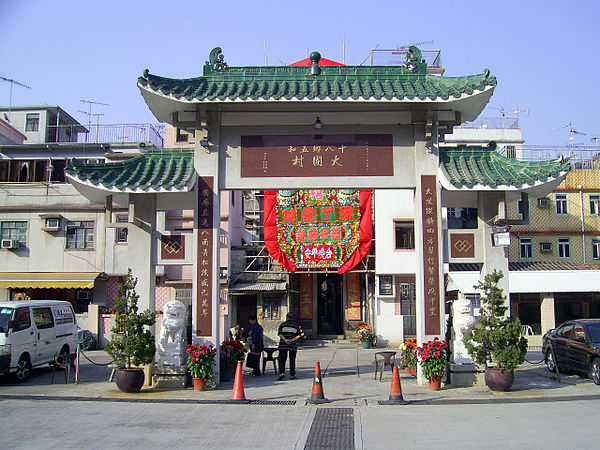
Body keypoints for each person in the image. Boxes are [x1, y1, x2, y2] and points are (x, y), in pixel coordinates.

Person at [277, 312, 301, 381]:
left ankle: (282, 373)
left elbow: (280, 334)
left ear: (286, 317)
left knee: (281, 359)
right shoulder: (296, 325)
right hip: (292, 345)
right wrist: (291, 340)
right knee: (292, 360)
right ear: (293, 318)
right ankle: (292, 375)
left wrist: (285, 340)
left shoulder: (283, 325)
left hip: (283, 345)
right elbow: (299, 335)